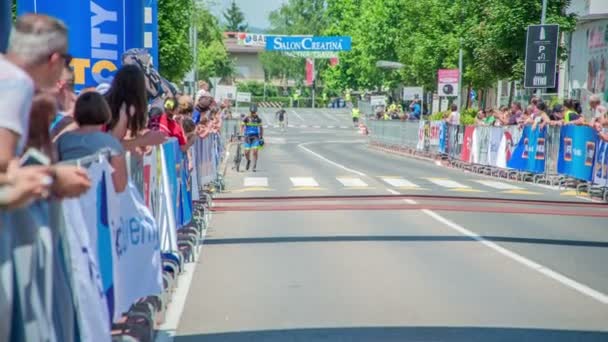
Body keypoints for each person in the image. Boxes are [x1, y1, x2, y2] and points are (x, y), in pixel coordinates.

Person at [0, 14, 90, 205]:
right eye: (66, 60)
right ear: (54, 59)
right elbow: (2, 167)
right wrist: (53, 179)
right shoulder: (17, 82)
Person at [56, 92, 127, 193]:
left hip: (68, 200)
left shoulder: (62, 140)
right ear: (104, 111)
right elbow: (119, 186)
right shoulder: (112, 144)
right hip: (97, 203)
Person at [104, 64, 167, 151]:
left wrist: (142, 139)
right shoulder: (124, 109)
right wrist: (143, 141)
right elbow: (113, 145)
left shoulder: (109, 102)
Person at [241, 104, 264, 172]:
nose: (253, 113)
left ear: (256, 112)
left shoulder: (258, 119)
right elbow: (242, 126)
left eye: (254, 112)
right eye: (252, 112)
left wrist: (261, 137)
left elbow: (261, 128)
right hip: (247, 136)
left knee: (255, 151)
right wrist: (241, 133)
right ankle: (248, 160)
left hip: (255, 136)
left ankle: (254, 165)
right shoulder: (246, 118)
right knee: (246, 152)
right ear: (250, 112)